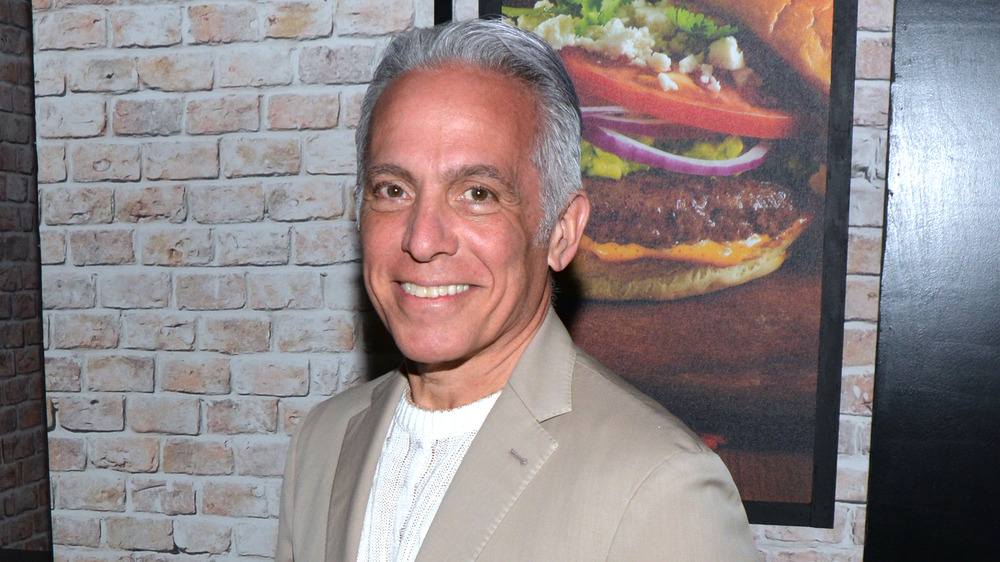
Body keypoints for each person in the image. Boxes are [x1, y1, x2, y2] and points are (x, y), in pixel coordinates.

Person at [276, 18, 757, 561]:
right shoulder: (323, 441)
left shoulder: (662, 485)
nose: (422, 238)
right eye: (393, 189)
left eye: (477, 193)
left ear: (561, 231)